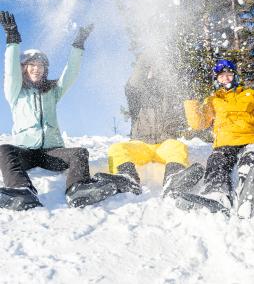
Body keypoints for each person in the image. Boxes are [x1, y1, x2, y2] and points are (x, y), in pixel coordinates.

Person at [0, 11, 119, 210]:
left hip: (52, 152)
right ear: (24, 68)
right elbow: (10, 72)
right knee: (3, 150)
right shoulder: (16, 92)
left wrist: (78, 44)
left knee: (79, 153)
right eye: (32, 65)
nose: (37, 69)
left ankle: (78, 188)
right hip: (26, 151)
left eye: (41, 65)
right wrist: (12, 39)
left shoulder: (52, 91)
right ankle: (22, 190)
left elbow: (70, 72)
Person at [181, 59, 254, 217]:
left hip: (249, 140)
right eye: (221, 76)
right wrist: (191, 99)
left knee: (251, 156)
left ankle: (248, 190)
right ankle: (217, 195)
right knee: (216, 161)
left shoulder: (249, 95)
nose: (225, 78)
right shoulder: (213, 101)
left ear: (235, 76)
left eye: (229, 74)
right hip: (224, 143)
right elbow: (198, 122)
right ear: (217, 80)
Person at [103, 54, 205, 199]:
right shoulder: (137, 98)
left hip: (165, 144)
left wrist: (188, 88)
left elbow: (191, 116)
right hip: (141, 144)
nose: (155, 73)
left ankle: (174, 179)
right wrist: (148, 55)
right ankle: (127, 178)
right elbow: (134, 83)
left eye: (159, 70)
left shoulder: (172, 98)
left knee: (178, 147)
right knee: (117, 149)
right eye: (151, 70)